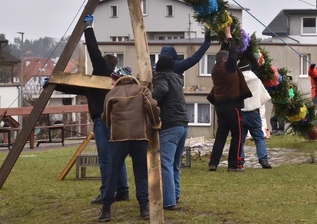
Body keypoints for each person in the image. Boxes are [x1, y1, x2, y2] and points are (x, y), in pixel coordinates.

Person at [54, 14, 129, 204]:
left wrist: (89, 28)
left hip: (103, 121)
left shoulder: (102, 75)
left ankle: (107, 194)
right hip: (116, 122)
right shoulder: (100, 83)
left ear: (105, 66)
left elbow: (94, 52)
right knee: (117, 156)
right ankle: (122, 191)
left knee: (105, 158)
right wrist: (54, 84)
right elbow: (74, 87)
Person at [152, 31, 211, 210]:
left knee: (166, 164)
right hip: (183, 124)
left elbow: (160, 91)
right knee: (175, 165)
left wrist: (148, 99)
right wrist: (206, 43)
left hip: (170, 125)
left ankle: (169, 201)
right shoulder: (178, 75)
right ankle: (175, 194)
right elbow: (194, 59)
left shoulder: (161, 75)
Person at [97, 67, 161, 222]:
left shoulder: (111, 94)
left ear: (118, 79)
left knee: (113, 174)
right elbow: (152, 107)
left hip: (118, 139)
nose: (111, 81)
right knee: (140, 173)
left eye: (113, 78)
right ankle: (143, 208)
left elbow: (105, 117)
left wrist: (113, 125)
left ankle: (106, 210)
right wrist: (155, 123)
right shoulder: (142, 90)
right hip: (139, 137)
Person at [207, 25, 252, 172]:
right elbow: (233, 51)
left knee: (221, 134)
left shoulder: (215, 69)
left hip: (220, 107)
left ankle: (213, 163)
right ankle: (234, 164)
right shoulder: (229, 67)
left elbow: (226, 51)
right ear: (225, 59)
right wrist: (228, 33)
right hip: (233, 106)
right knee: (237, 135)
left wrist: (225, 39)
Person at [238, 60, 272, 169]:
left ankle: (240, 160)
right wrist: (256, 103)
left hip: (241, 113)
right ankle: (263, 159)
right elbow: (265, 97)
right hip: (254, 113)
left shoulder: (237, 80)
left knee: (240, 139)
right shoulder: (256, 80)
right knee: (258, 137)